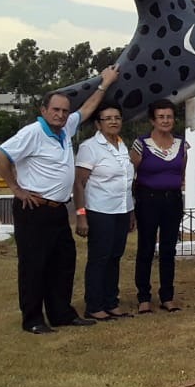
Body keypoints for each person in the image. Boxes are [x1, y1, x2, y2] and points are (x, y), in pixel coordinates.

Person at [0, 65, 119, 334]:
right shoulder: (32, 133)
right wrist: (17, 189)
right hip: (34, 209)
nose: (61, 114)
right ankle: (33, 319)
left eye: (64, 110)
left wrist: (104, 84)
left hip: (59, 210)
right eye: (56, 110)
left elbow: (85, 110)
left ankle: (61, 313)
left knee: (63, 262)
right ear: (44, 111)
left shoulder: (65, 129)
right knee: (34, 266)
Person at [73, 101, 135, 321]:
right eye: (107, 118)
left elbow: (126, 182)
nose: (113, 121)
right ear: (98, 124)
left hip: (121, 210)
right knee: (100, 258)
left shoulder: (122, 144)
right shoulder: (90, 147)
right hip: (99, 211)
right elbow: (79, 183)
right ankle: (94, 305)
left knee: (115, 257)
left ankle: (111, 301)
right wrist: (81, 215)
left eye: (117, 118)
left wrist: (131, 212)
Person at [130, 99, 188, 314]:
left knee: (168, 249)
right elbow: (131, 175)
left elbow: (181, 173)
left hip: (172, 200)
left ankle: (167, 296)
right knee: (145, 248)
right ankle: (143, 296)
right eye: (161, 117)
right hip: (147, 200)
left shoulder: (182, 145)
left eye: (169, 116)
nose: (166, 120)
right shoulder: (141, 143)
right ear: (153, 120)